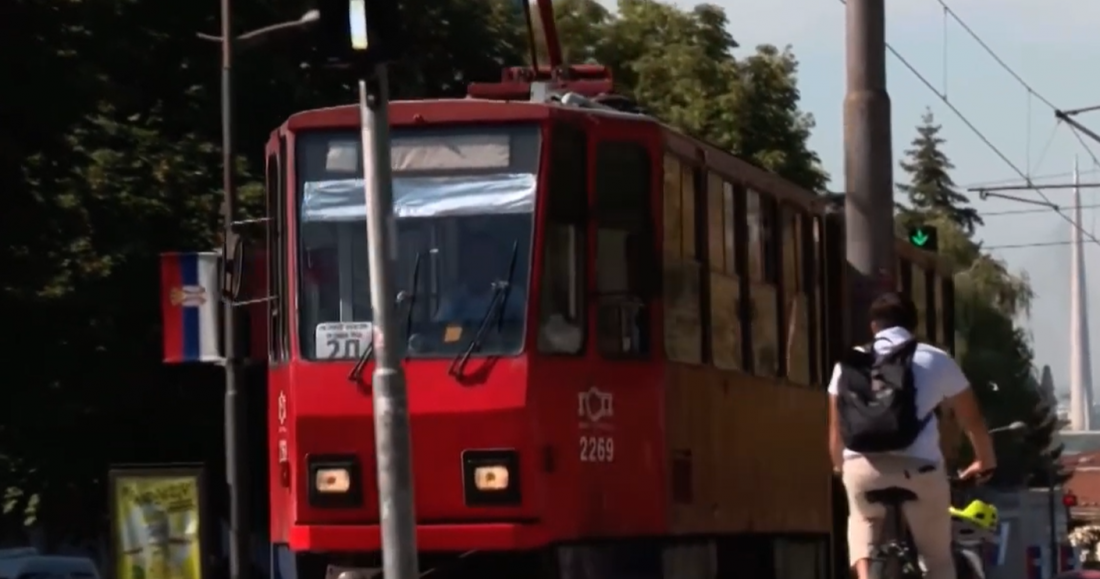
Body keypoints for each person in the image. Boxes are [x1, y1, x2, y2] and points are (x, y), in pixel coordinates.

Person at [828, 292, 996, 579]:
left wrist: (839, 467)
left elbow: (835, 428)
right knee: (937, 558)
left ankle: (866, 575)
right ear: (912, 326)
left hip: (861, 466)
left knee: (862, 519)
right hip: (920, 469)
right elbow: (972, 420)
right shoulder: (935, 359)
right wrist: (985, 460)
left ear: (873, 327)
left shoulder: (849, 362)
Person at [435, 231, 527, 324]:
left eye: (487, 258)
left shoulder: (511, 297)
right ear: (466, 262)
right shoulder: (453, 301)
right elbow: (439, 330)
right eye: (476, 258)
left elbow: (527, 323)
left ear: (496, 263)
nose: (481, 265)